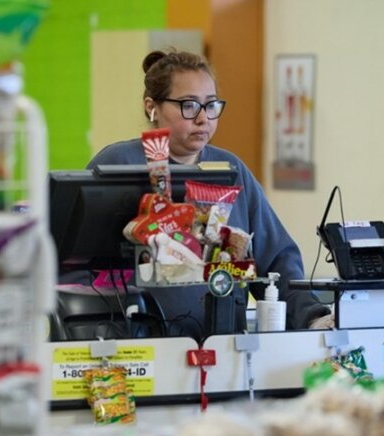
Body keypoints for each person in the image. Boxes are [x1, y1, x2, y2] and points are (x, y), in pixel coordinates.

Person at [86, 49, 329, 338]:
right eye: (189, 105)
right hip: (136, 350)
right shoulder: (118, 165)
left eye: (211, 105)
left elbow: (277, 260)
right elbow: (75, 266)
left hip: (222, 346)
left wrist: (314, 317)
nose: (203, 119)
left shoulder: (231, 170)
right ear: (152, 107)